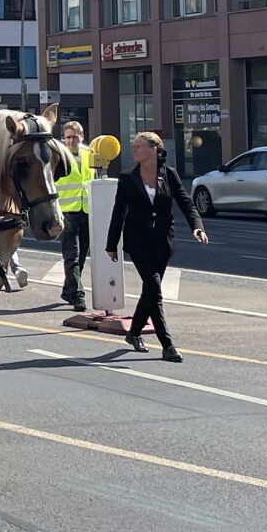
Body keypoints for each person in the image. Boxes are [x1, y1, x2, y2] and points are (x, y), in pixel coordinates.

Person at [106, 131, 209, 363]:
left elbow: (186, 202)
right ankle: (167, 345)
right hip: (138, 241)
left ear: (154, 149)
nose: (134, 151)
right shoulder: (128, 178)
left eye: (139, 146)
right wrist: (112, 244)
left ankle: (133, 333)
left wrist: (197, 226)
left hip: (162, 241)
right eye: (133, 147)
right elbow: (118, 211)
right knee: (155, 290)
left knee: (149, 292)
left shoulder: (169, 175)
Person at [54, 120, 95, 312]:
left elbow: (95, 178)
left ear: (82, 136)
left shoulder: (90, 154)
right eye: (68, 137)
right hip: (66, 210)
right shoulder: (58, 155)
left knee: (82, 255)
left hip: (87, 210)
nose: (71, 140)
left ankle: (68, 289)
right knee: (72, 254)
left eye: (75, 137)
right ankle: (78, 295)